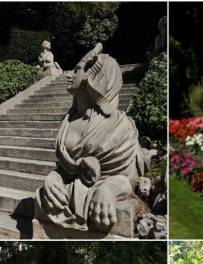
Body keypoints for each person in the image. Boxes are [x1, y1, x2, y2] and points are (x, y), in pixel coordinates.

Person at [35, 43, 154, 231]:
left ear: (93, 79)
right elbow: (63, 170)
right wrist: (52, 178)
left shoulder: (121, 126)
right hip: (72, 190)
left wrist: (109, 189)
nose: (67, 75)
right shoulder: (67, 121)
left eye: (76, 71)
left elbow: (127, 179)